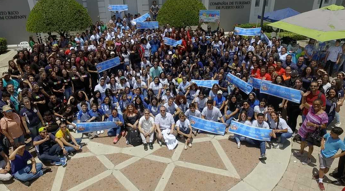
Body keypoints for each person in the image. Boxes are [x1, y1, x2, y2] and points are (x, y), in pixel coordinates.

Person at [298, 98, 328, 164]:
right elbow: (304, 103)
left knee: (310, 146)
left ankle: (308, 158)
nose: (315, 106)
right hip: (304, 129)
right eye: (314, 104)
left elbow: (324, 126)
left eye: (317, 104)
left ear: (321, 105)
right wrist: (304, 96)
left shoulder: (324, 115)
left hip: (311, 133)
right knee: (302, 141)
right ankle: (301, 151)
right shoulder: (311, 108)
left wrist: (314, 125)